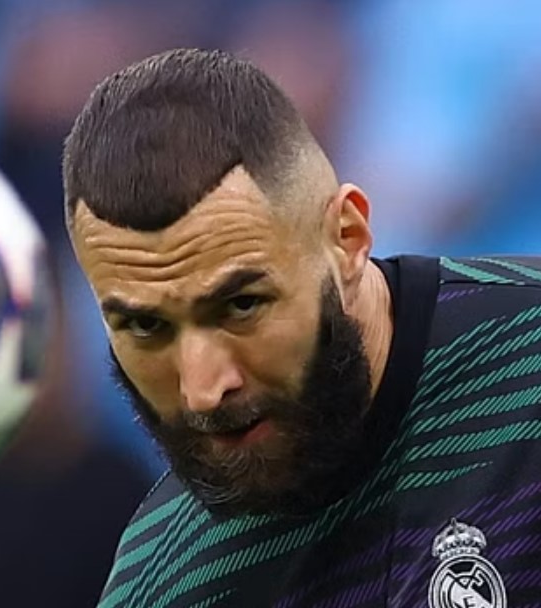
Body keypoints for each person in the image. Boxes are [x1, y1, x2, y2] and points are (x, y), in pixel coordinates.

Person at [62, 47, 541, 607]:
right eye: (146, 326)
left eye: (241, 305)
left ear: (347, 238)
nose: (204, 389)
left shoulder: (526, 360)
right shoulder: (162, 587)